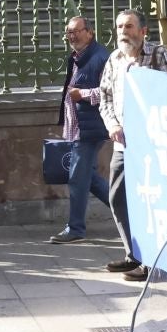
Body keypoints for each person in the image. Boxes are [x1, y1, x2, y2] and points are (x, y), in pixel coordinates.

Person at [99, 9, 167, 282]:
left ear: (143, 31)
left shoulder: (158, 54)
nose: (123, 31)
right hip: (124, 143)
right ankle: (134, 253)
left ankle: (152, 261)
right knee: (117, 197)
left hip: (153, 145)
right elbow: (105, 97)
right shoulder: (114, 59)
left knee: (151, 200)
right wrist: (113, 125)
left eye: (129, 26)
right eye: (119, 25)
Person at [51, 16, 113, 245]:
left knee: (77, 178)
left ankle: (75, 228)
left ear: (90, 32)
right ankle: (129, 212)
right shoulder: (78, 57)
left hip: (91, 128)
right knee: (90, 178)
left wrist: (84, 95)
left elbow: (111, 91)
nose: (72, 36)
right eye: (69, 32)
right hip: (79, 127)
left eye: (77, 31)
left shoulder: (100, 58)